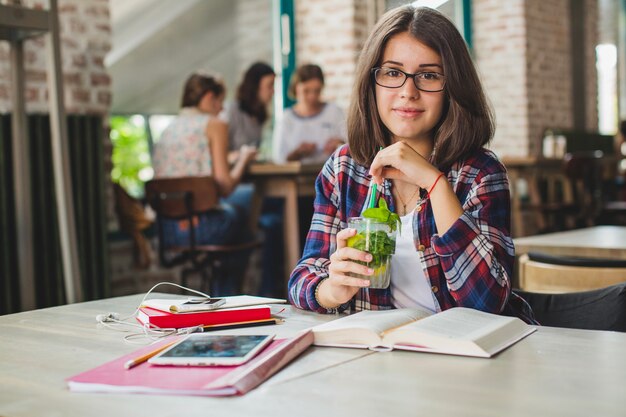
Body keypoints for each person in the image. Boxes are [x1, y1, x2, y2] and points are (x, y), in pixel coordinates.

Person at [287, 6, 535, 323]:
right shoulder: (343, 169)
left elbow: (488, 302)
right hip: (382, 358)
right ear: (371, 82)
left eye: (429, 75)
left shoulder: (480, 173)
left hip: (467, 357)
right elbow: (302, 279)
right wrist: (332, 290)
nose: (408, 92)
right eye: (392, 73)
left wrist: (435, 183)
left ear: (452, 88)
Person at [152, 71, 257, 293]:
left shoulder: (168, 127)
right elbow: (226, 186)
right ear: (209, 97)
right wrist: (245, 158)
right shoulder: (214, 124)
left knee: (239, 216)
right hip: (203, 227)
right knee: (246, 206)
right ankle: (227, 298)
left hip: (168, 229)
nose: (221, 109)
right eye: (220, 101)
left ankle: (217, 291)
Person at [272, 64, 346, 163]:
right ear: (296, 88)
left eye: (317, 91)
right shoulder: (287, 118)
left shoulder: (334, 112)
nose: (312, 96)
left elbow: (352, 147)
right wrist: (297, 153)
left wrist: (339, 144)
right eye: (306, 91)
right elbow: (279, 159)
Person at [221, 62, 276, 160]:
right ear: (255, 87)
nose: (273, 91)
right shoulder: (231, 111)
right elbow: (219, 156)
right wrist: (241, 156)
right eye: (270, 85)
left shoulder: (259, 116)